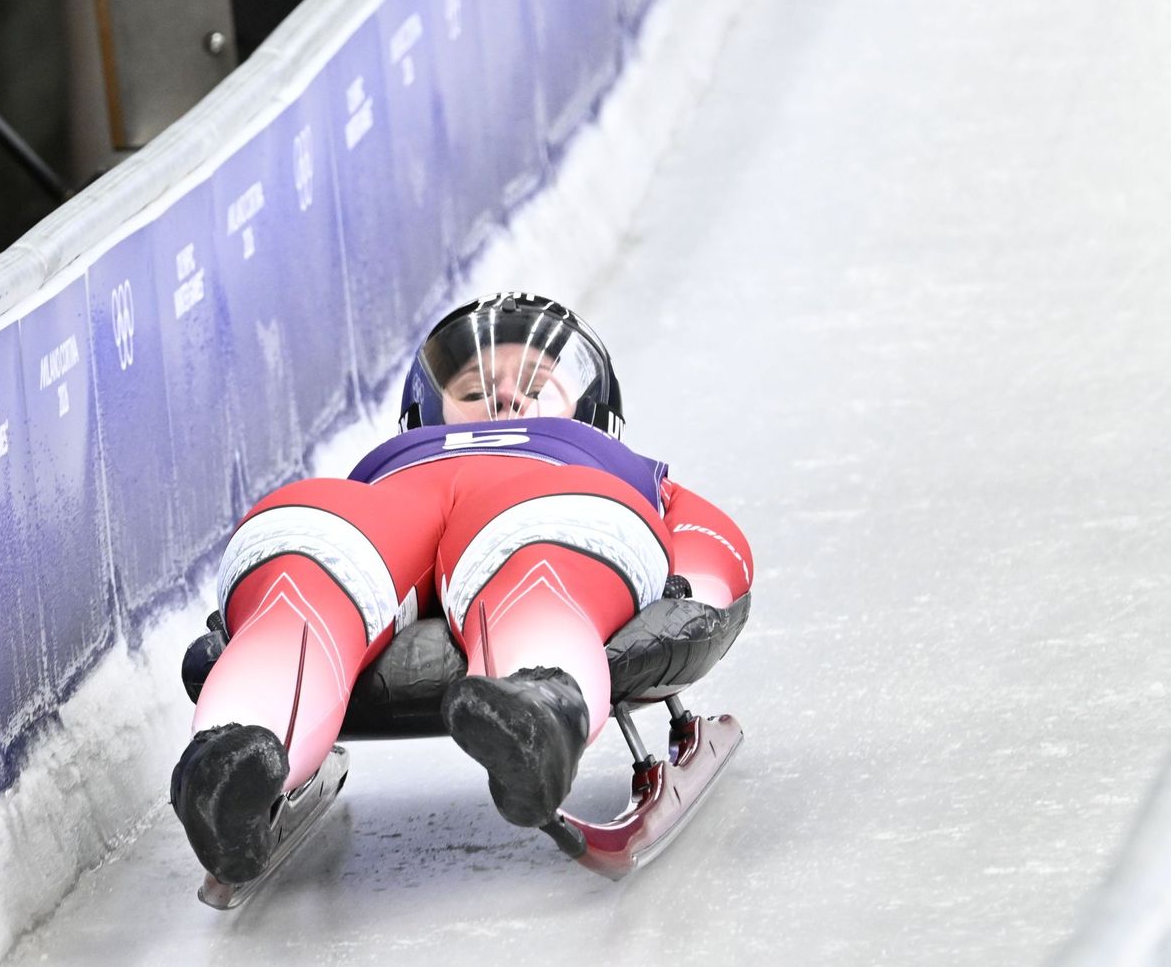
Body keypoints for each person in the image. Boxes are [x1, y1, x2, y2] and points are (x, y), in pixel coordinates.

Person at [171, 292, 754, 883]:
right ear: (428, 414)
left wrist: (692, 592)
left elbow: (710, 537)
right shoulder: (388, 464)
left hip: (542, 493)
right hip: (383, 510)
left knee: (527, 550)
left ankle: (535, 711)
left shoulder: (604, 460)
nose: (503, 395)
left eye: (535, 383)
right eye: (474, 391)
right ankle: (233, 761)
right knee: (319, 558)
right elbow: (721, 542)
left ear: (589, 410)